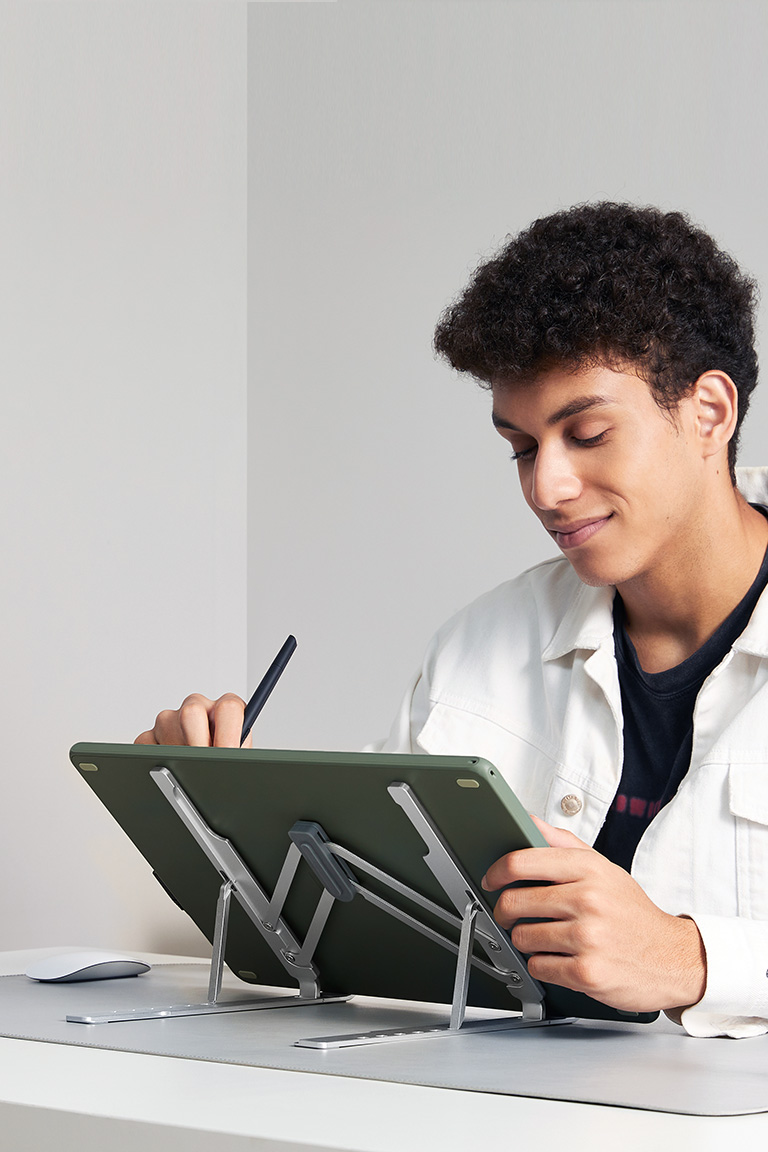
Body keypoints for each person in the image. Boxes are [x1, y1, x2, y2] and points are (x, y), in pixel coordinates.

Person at [137, 203, 768, 1038]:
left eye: (587, 434)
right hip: (484, 1097)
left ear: (709, 413)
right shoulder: (484, 644)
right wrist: (226, 817)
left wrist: (690, 960)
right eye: (522, 447)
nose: (546, 489)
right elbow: (365, 916)